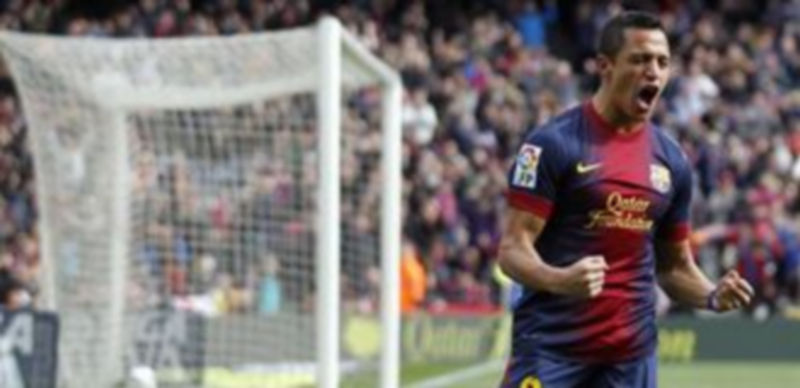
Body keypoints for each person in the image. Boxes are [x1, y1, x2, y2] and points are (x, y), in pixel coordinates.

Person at [497, 11, 754, 388]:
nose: (653, 71)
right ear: (606, 66)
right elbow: (512, 251)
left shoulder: (672, 161)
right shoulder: (553, 144)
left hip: (630, 358)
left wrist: (713, 296)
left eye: (662, 62)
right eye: (640, 59)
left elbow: (675, 267)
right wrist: (560, 279)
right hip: (550, 350)